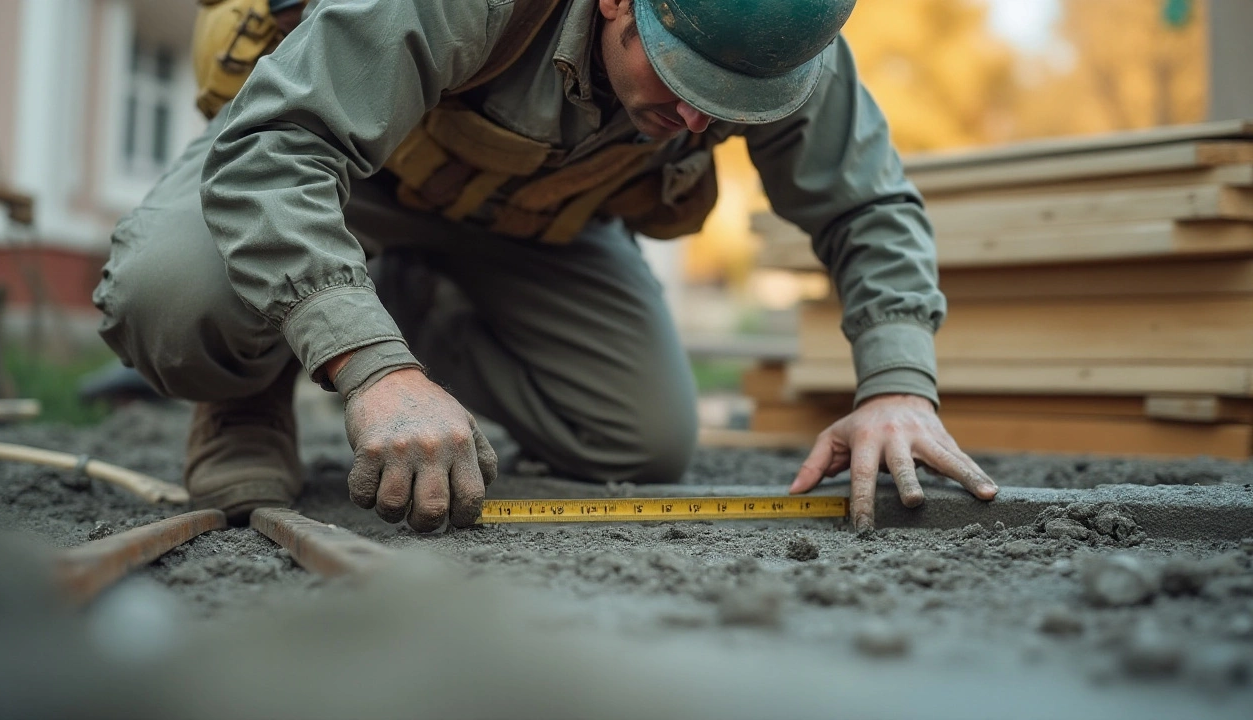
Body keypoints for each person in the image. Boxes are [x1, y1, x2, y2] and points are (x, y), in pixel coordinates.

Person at [94, 0, 999, 532]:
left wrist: (897, 387)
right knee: (172, 297)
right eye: (682, 81)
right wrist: (371, 366)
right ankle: (250, 393)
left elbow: (869, 205)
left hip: (521, 230)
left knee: (642, 440)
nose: (697, 124)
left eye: (730, 107)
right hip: (343, 183)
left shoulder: (777, 41)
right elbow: (276, 151)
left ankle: (405, 310)